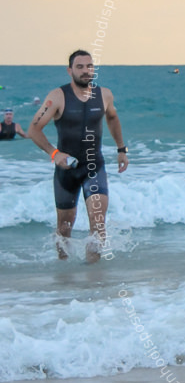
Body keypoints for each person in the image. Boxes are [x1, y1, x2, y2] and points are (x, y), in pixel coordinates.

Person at [27, 51, 129, 262]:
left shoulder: (105, 95)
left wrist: (121, 149)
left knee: (98, 222)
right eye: (80, 67)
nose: (85, 71)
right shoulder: (57, 96)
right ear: (70, 70)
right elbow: (33, 130)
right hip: (67, 171)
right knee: (64, 229)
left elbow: (113, 118)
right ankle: (64, 277)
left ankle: (93, 279)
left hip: (94, 167)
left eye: (89, 66)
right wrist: (54, 153)